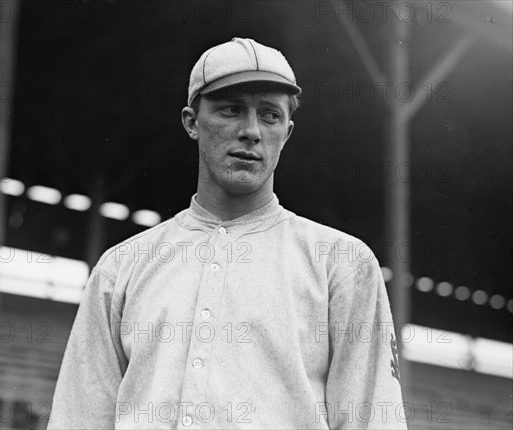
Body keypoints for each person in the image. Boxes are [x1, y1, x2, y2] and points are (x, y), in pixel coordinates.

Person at [48, 37, 406, 429]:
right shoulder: (121, 267)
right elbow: (78, 416)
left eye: (269, 115)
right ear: (191, 122)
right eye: (230, 110)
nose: (251, 131)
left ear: (286, 133)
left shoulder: (342, 263)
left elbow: (374, 421)